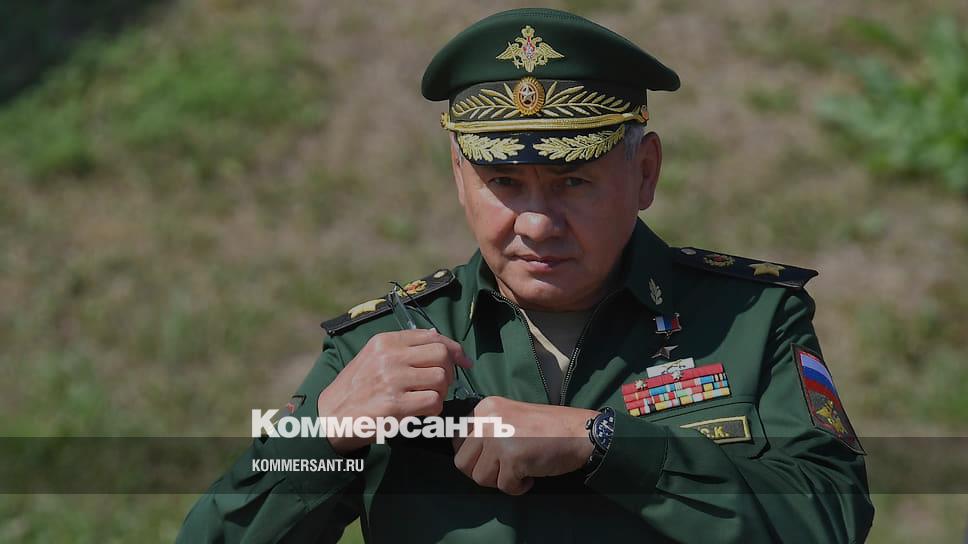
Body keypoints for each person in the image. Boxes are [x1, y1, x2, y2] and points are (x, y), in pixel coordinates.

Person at [177, 7, 873, 543]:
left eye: (573, 182)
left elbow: (830, 522)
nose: (537, 223)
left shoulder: (751, 321)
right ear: (459, 176)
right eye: (504, 182)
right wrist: (322, 435)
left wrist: (603, 444)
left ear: (645, 172)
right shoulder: (382, 348)